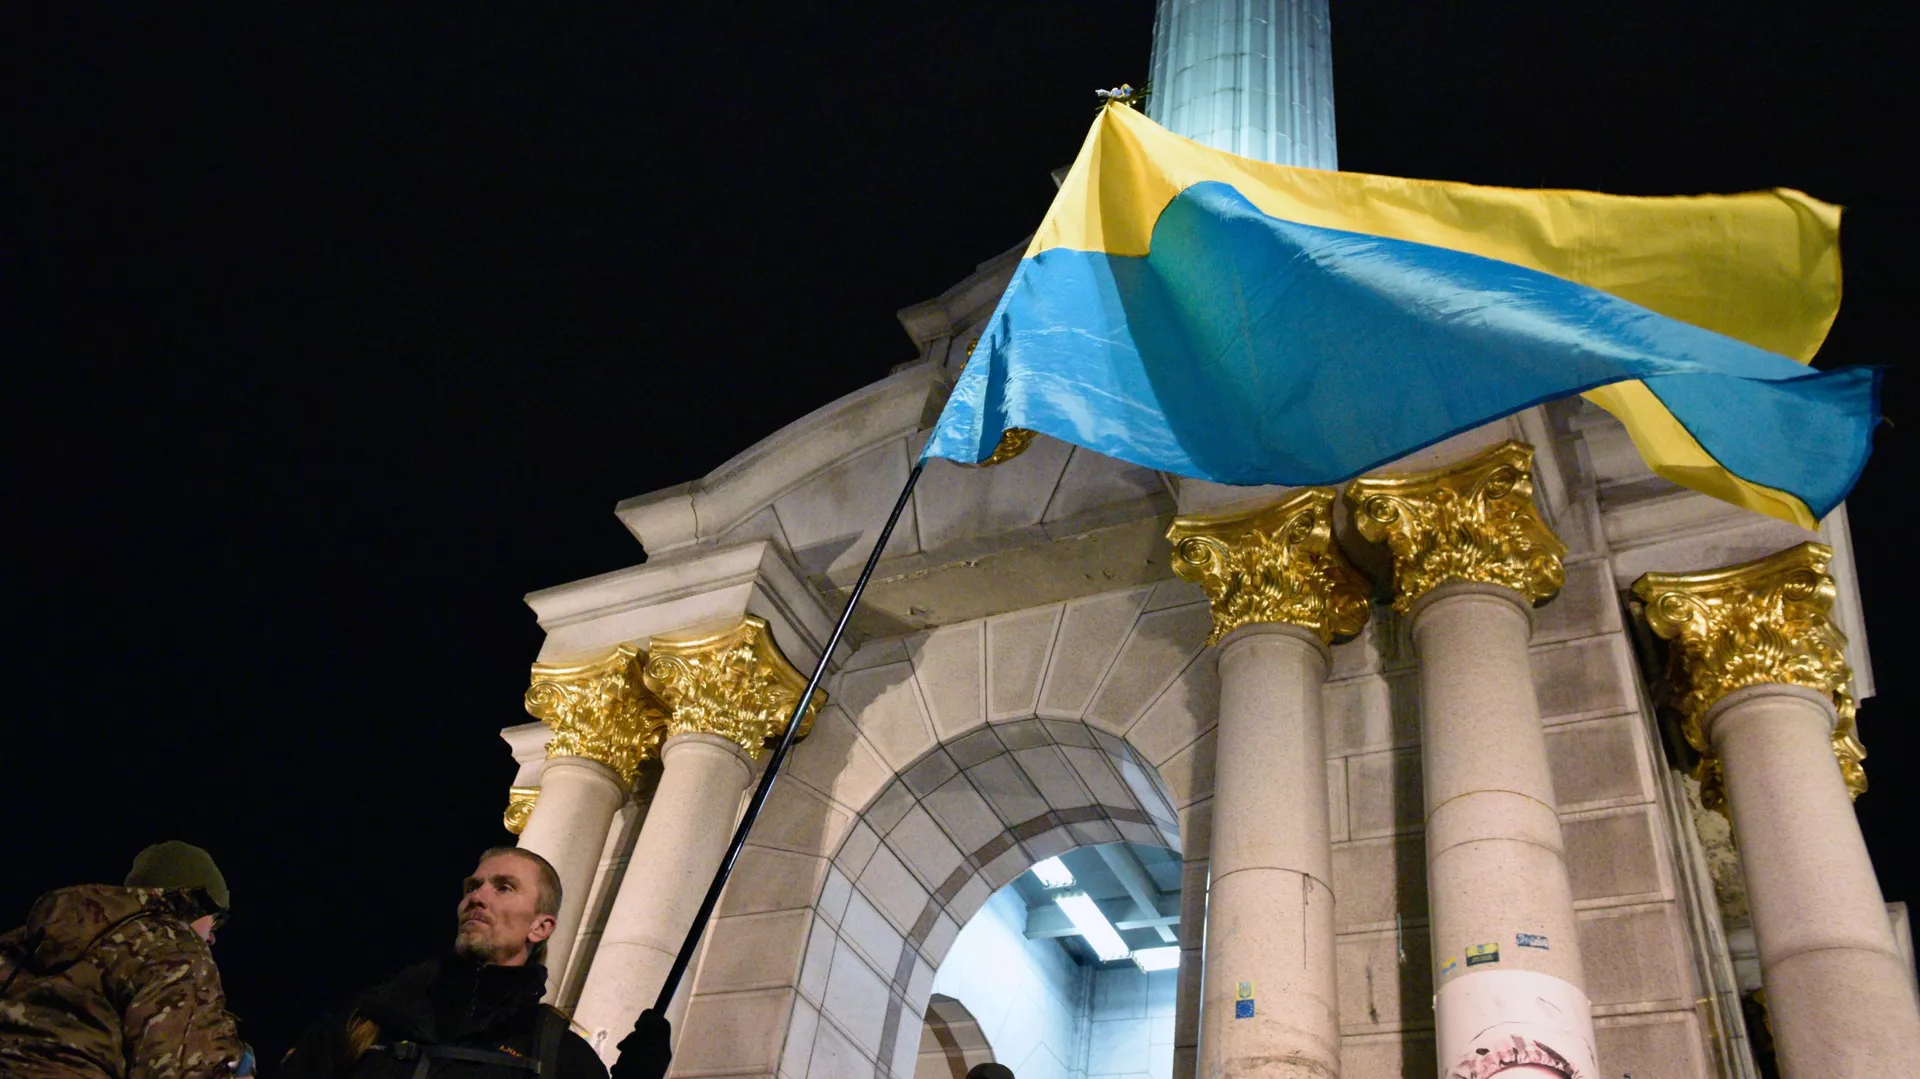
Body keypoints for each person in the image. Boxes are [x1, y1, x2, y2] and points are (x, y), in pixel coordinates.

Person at [282, 847, 640, 1079]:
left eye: (503, 888)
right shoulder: (369, 1020)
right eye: (473, 886)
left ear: (540, 927)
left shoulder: (558, 1055)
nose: (477, 897)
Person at [0, 840, 253, 1079]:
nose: (212, 937)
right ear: (193, 903)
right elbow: (182, 1070)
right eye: (215, 919)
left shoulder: (19, 945)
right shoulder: (171, 944)